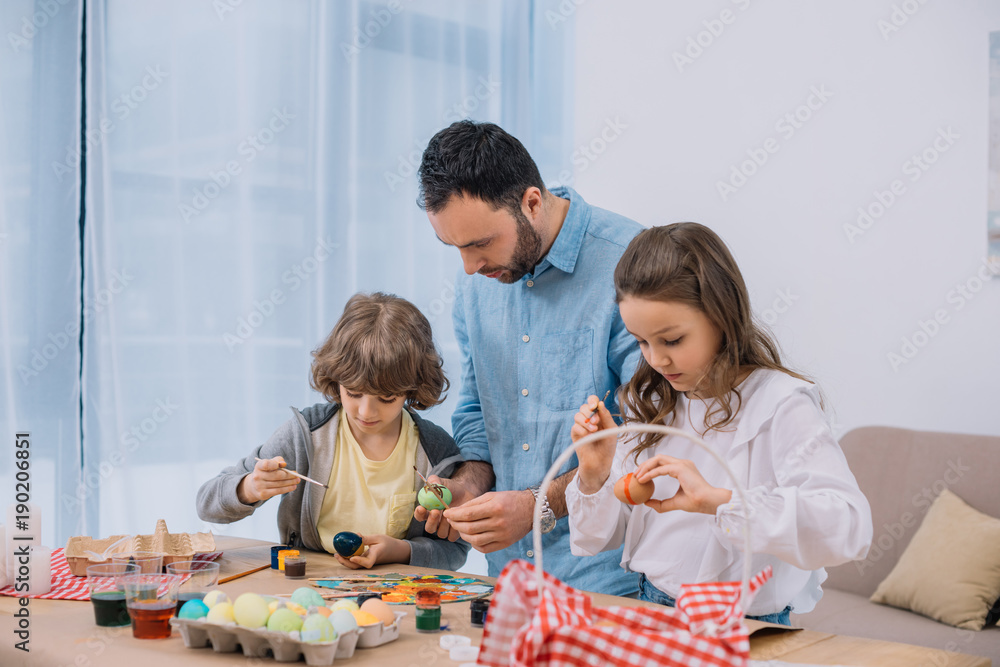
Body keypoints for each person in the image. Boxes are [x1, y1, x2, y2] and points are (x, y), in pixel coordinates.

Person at [566, 223, 873, 623]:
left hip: (745, 624)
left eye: (672, 340)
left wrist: (720, 502)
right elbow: (599, 538)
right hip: (650, 605)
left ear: (721, 316)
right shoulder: (654, 401)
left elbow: (848, 527)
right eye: (641, 341)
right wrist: (594, 474)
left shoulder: (781, 404)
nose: (656, 360)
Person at [413, 120, 643, 595]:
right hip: (509, 580)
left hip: (612, 581)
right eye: (454, 247)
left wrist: (539, 505)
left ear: (532, 203)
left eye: (479, 244)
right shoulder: (478, 282)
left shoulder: (632, 265)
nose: (469, 267)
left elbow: (654, 439)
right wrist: (470, 484)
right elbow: (477, 408)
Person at [197, 292, 468, 570]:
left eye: (386, 398)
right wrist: (250, 487)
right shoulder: (307, 435)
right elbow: (206, 503)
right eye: (353, 393)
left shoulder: (435, 452)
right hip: (306, 589)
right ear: (336, 379)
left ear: (412, 388)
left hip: (397, 595)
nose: (365, 412)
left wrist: (401, 551)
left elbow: (456, 549)